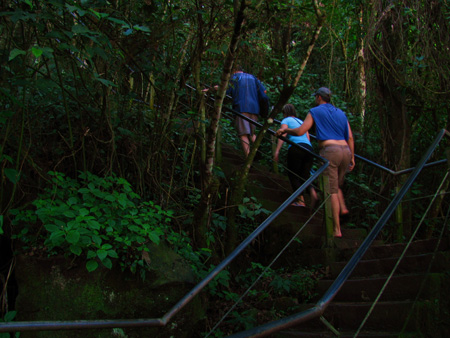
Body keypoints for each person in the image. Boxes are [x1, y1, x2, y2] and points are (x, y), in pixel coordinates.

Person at [276, 87, 355, 237]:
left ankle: (336, 229)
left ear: (319, 97)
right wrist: (352, 158)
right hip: (345, 151)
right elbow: (350, 137)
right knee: (336, 186)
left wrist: (284, 131)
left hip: (330, 151)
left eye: (315, 97)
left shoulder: (315, 111)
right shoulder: (341, 113)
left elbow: (300, 131)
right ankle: (343, 209)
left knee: (330, 190)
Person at [274, 104, 318, 208]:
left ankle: (300, 201)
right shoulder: (302, 122)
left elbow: (283, 134)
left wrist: (277, 151)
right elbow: (307, 137)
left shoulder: (286, 120)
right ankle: (313, 192)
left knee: (293, 174)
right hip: (308, 148)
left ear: (285, 113)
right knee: (304, 175)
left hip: (296, 147)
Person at [226, 65, 267, 156]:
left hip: (241, 108)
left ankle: (249, 158)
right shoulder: (253, 78)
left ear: (233, 70)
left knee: (243, 134)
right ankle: (257, 148)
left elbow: (226, 91)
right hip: (255, 109)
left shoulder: (234, 78)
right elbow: (264, 93)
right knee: (252, 133)